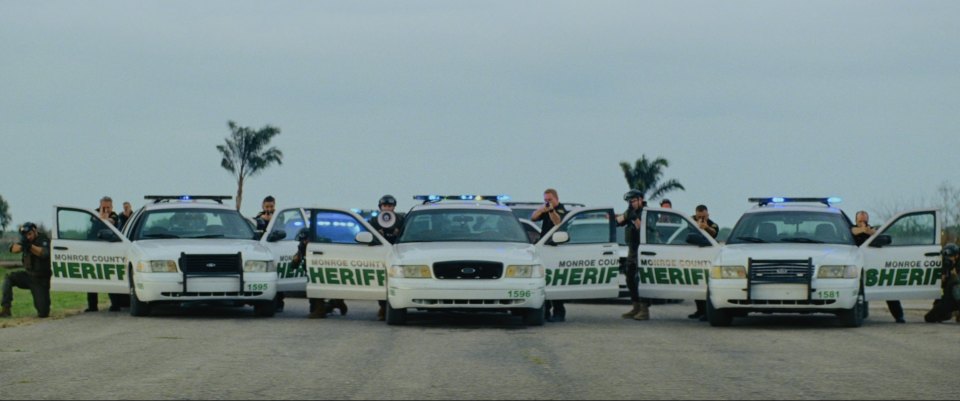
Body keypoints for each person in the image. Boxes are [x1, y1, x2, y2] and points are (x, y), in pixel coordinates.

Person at [851, 210, 905, 323]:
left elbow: (881, 235)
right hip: (856, 265)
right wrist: (862, 229)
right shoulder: (852, 230)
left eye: (864, 221)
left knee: (888, 289)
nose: (862, 223)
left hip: (875, 265)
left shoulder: (873, 230)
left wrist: (870, 231)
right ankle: (859, 315)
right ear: (855, 220)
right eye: (860, 221)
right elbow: (853, 231)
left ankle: (899, 316)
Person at [531, 188, 569, 322]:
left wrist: (551, 210)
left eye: (550, 200)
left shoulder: (561, 210)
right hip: (545, 248)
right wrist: (542, 209)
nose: (547, 202)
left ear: (556, 199)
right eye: (545, 200)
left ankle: (559, 312)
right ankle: (546, 311)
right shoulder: (546, 209)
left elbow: (558, 222)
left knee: (555, 281)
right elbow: (533, 218)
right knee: (545, 281)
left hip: (557, 249)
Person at [1, 222, 52, 318]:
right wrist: (22, 246)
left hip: (40, 280)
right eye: (26, 235)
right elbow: (12, 249)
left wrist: (30, 246)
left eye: (30, 234)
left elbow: (44, 253)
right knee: (8, 278)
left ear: (35, 231)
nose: (28, 237)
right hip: (28, 276)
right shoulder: (25, 241)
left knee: (43, 313)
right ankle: (5, 309)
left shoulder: (43, 239)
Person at [367, 194, 405, 320]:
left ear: (394, 207)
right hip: (380, 254)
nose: (387, 208)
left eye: (390, 206)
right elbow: (367, 238)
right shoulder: (373, 221)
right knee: (381, 281)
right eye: (385, 206)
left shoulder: (401, 220)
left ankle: (393, 307)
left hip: (396, 253)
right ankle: (383, 307)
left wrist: (397, 234)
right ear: (380, 207)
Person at [617, 189, 650, 321]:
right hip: (632, 249)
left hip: (643, 249)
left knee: (639, 279)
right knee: (629, 278)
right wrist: (626, 215)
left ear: (641, 199)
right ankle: (635, 306)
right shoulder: (631, 211)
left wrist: (634, 217)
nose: (632, 203)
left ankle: (644, 309)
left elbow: (641, 229)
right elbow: (618, 221)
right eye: (630, 201)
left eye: (634, 201)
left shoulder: (647, 213)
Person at [87, 196, 124, 312]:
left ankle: (115, 305)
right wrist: (100, 217)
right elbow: (93, 221)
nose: (106, 209)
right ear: (100, 206)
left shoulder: (114, 215)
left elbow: (112, 221)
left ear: (112, 207)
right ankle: (92, 306)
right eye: (104, 207)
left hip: (108, 250)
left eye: (108, 207)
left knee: (110, 276)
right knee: (91, 277)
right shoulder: (94, 214)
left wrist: (105, 219)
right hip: (93, 249)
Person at [689, 204, 720, 321]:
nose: (701, 219)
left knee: (705, 285)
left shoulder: (712, 224)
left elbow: (714, 233)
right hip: (693, 256)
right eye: (699, 216)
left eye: (703, 216)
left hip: (707, 257)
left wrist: (705, 227)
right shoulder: (690, 221)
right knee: (695, 283)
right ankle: (699, 310)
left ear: (708, 215)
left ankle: (706, 313)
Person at [925, 243, 960, 323]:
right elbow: (944, 285)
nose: (948, 259)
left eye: (950, 257)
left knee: (955, 284)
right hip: (949, 298)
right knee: (929, 318)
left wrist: (955, 276)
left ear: (956, 256)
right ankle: (949, 314)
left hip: (957, 294)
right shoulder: (946, 263)